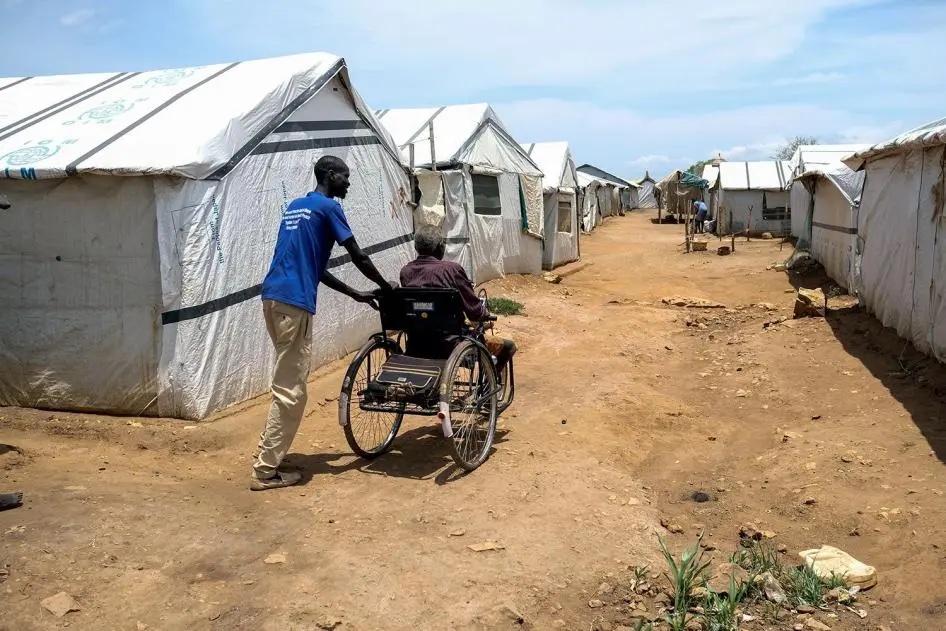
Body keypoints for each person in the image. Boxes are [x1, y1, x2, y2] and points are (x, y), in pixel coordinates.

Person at [252, 155, 395, 491]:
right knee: (292, 391)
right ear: (330, 176)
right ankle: (265, 470)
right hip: (294, 303)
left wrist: (356, 293)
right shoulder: (329, 208)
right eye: (345, 176)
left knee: (286, 381)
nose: (348, 183)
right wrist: (387, 288)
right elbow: (357, 254)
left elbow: (312, 265)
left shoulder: (296, 208)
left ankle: (269, 454)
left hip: (273, 298)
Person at [399, 224, 517, 375]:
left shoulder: (406, 272)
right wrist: (484, 313)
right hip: (451, 344)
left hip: (416, 344)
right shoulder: (451, 270)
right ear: (439, 247)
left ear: (417, 248)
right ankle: (490, 388)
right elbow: (474, 312)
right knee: (509, 347)